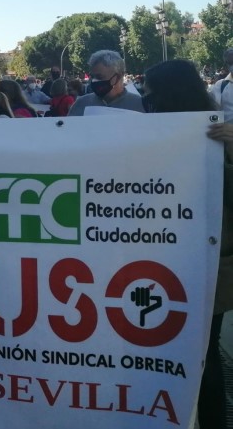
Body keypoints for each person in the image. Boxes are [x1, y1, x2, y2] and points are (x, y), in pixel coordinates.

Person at [144, 59, 229, 429]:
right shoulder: (153, 131)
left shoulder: (219, 135)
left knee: (202, 355)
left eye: (151, 93)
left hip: (209, 262)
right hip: (162, 257)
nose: (145, 99)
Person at [67, 50, 144, 116]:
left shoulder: (140, 105)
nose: (94, 81)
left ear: (118, 76)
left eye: (100, 77)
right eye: (92, 77)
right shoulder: (81, 103)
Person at [209, 47, 233, 122]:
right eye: (230, 63)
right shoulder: (220, 86)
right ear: (226, 64)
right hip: (225, 132)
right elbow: (212, 111)